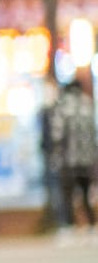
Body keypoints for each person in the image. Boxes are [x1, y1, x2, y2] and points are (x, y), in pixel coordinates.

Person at [46, 70, 96, 236]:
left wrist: (55, 154)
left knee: (67, 194)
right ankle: (91, 225)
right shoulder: (88, 104)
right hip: (86, 159)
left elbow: (57, 134)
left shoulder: (63, 106)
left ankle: (69, 226)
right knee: (85, 193)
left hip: (68, 160)